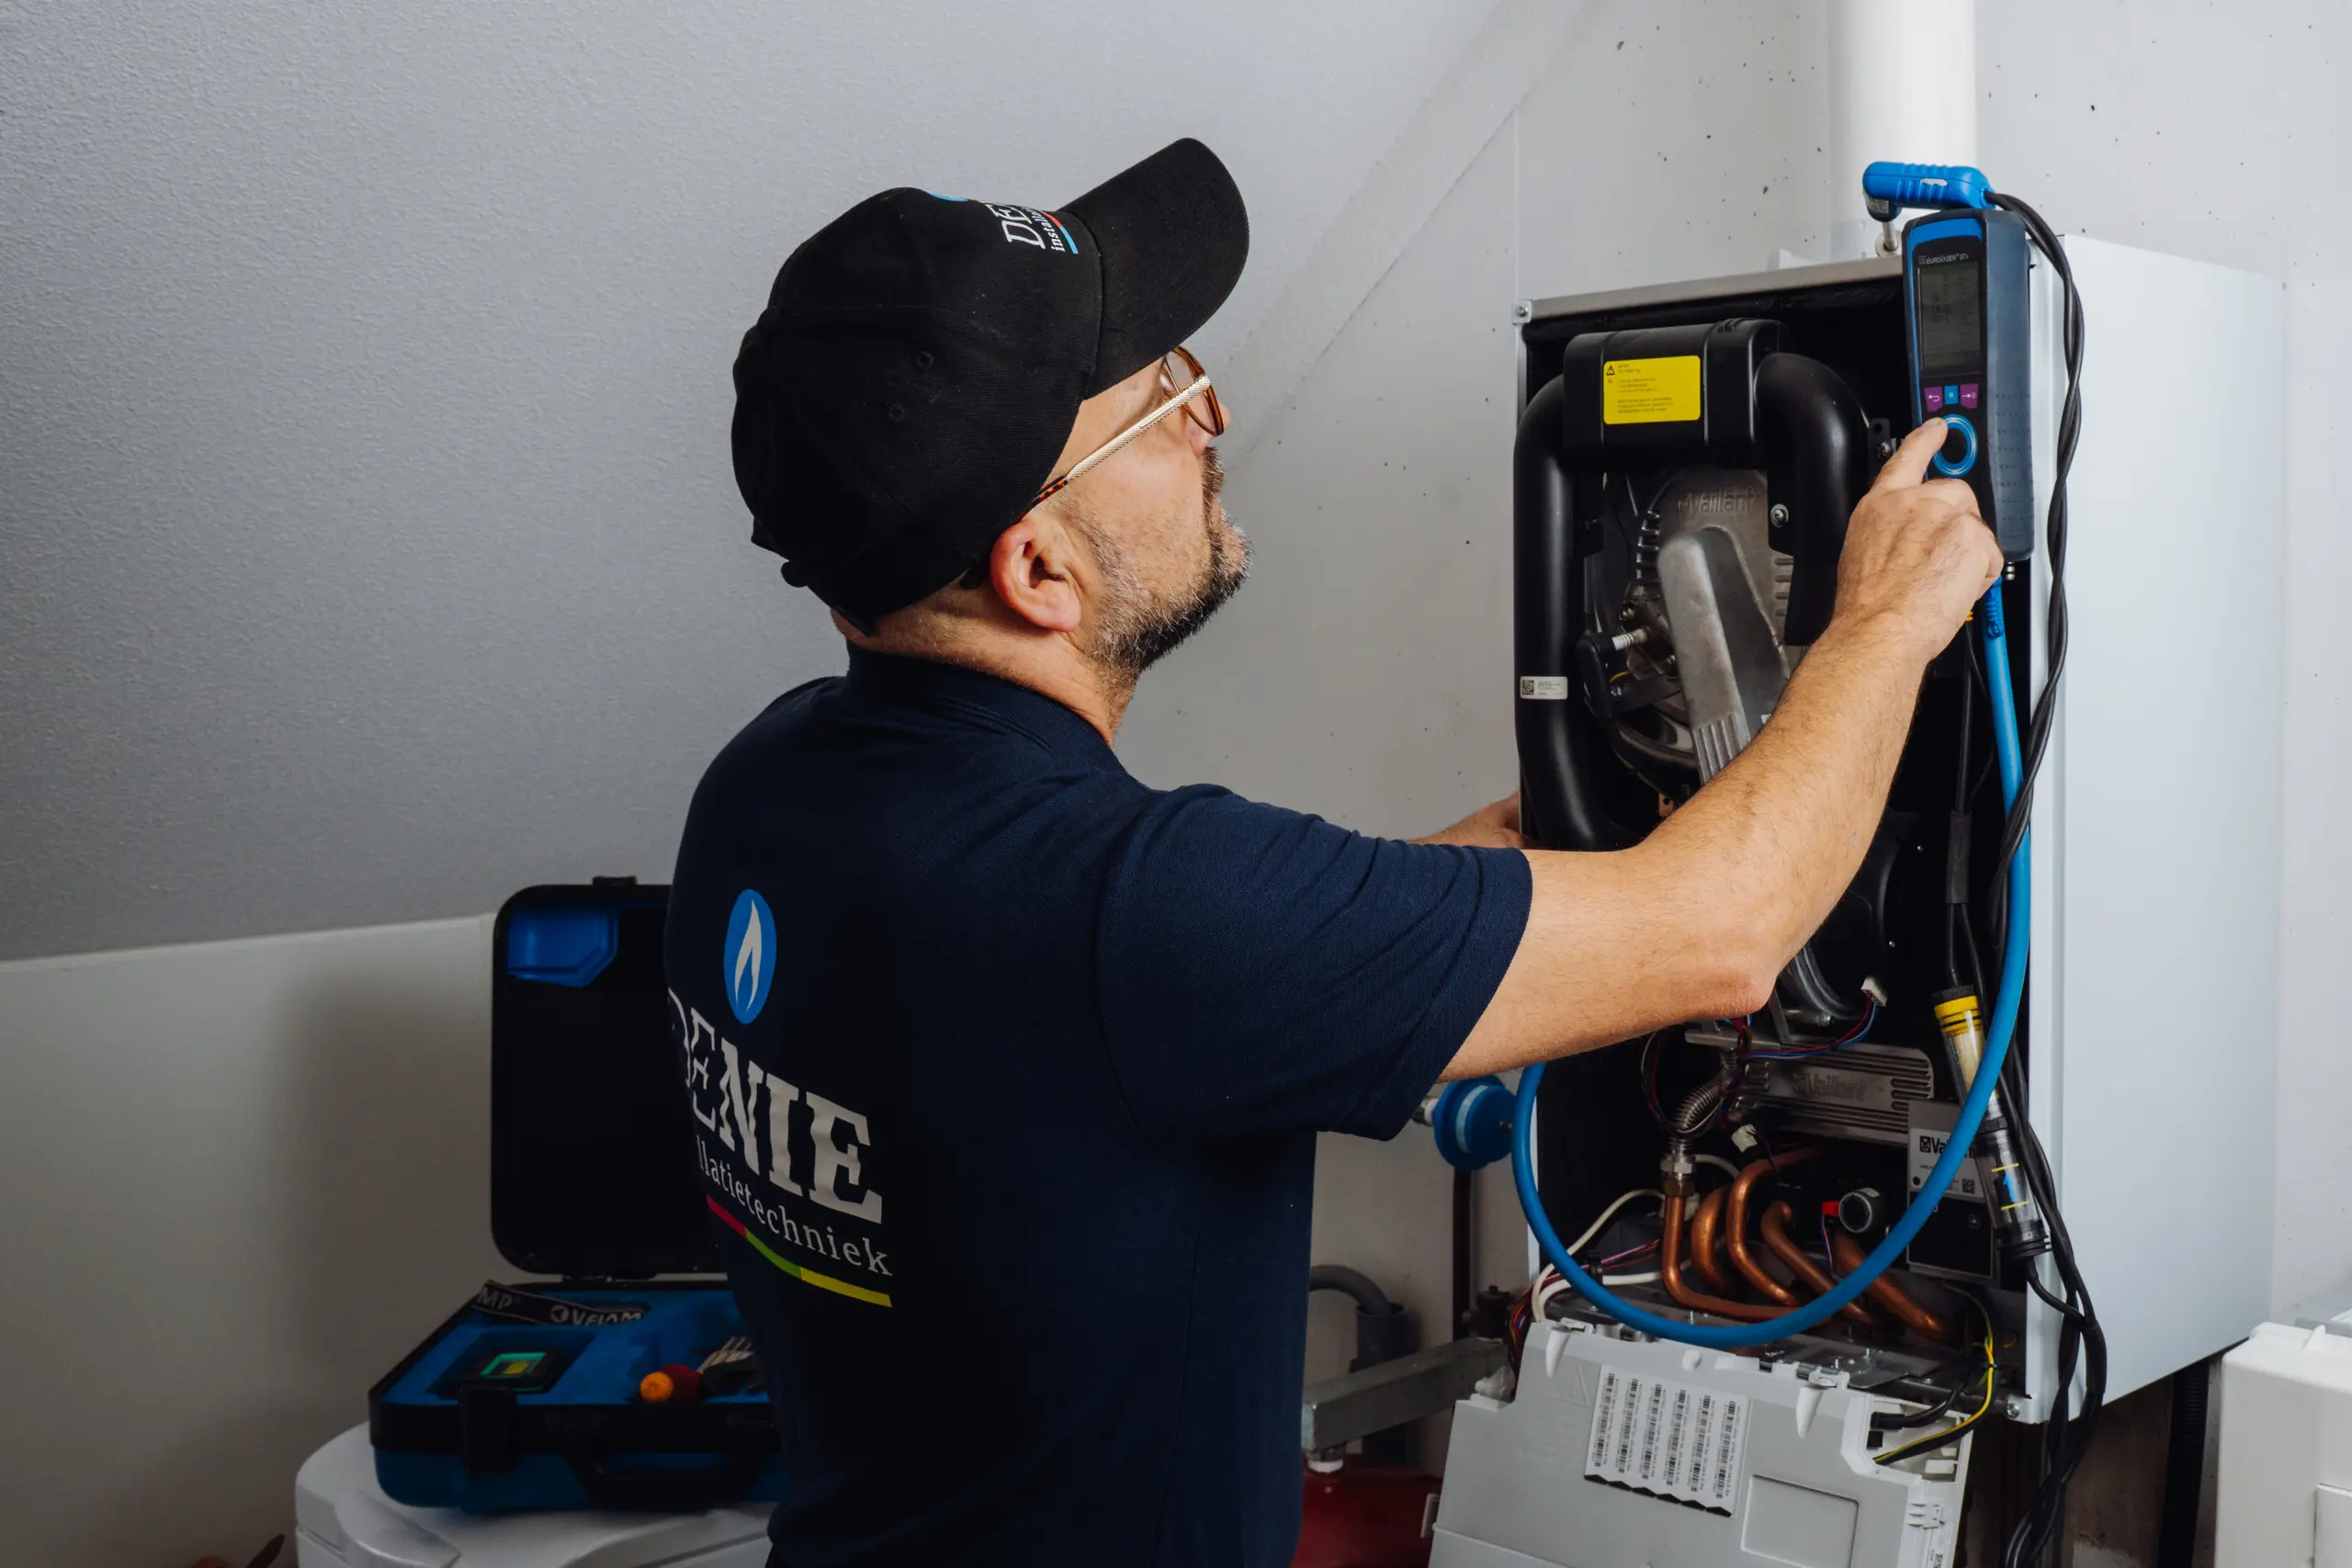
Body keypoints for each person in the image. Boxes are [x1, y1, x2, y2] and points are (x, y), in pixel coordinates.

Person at [664, 139, 2002, 1567]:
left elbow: (1124, 1010)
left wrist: (1506, 872)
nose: (1212, 412)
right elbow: (1730, 930)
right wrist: (1883, 621)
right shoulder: (1145, 917)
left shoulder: (764, 792)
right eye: (1159, 402)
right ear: (1037, 570)